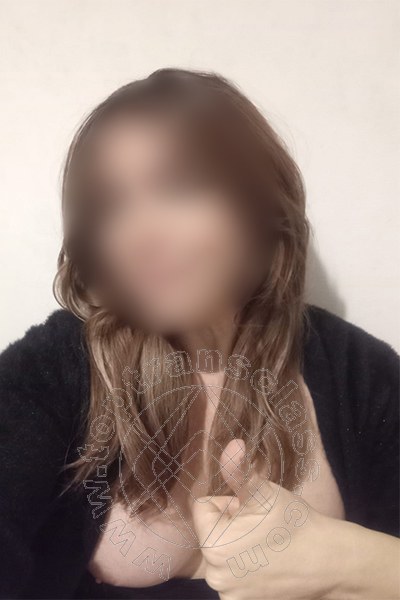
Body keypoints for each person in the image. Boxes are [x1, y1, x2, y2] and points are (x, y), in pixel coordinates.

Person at [0, 68, 398, 600]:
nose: (139, 233)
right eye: (109, 206)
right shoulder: (54, 368)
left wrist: (354, 561)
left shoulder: (361, 374)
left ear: (258, 207)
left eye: (179, 188)